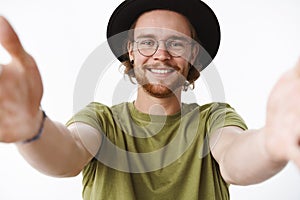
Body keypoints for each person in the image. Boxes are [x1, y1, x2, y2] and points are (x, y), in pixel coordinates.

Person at [0, 0, 299, 199]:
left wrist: (270, 142)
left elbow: (236, 158)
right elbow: (69, 153)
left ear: (193, 54)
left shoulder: (213, 119)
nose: (161, 54)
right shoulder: (103, 121)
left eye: (176, 43)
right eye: (147, 43)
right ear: (131, 51)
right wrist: (33, 129)